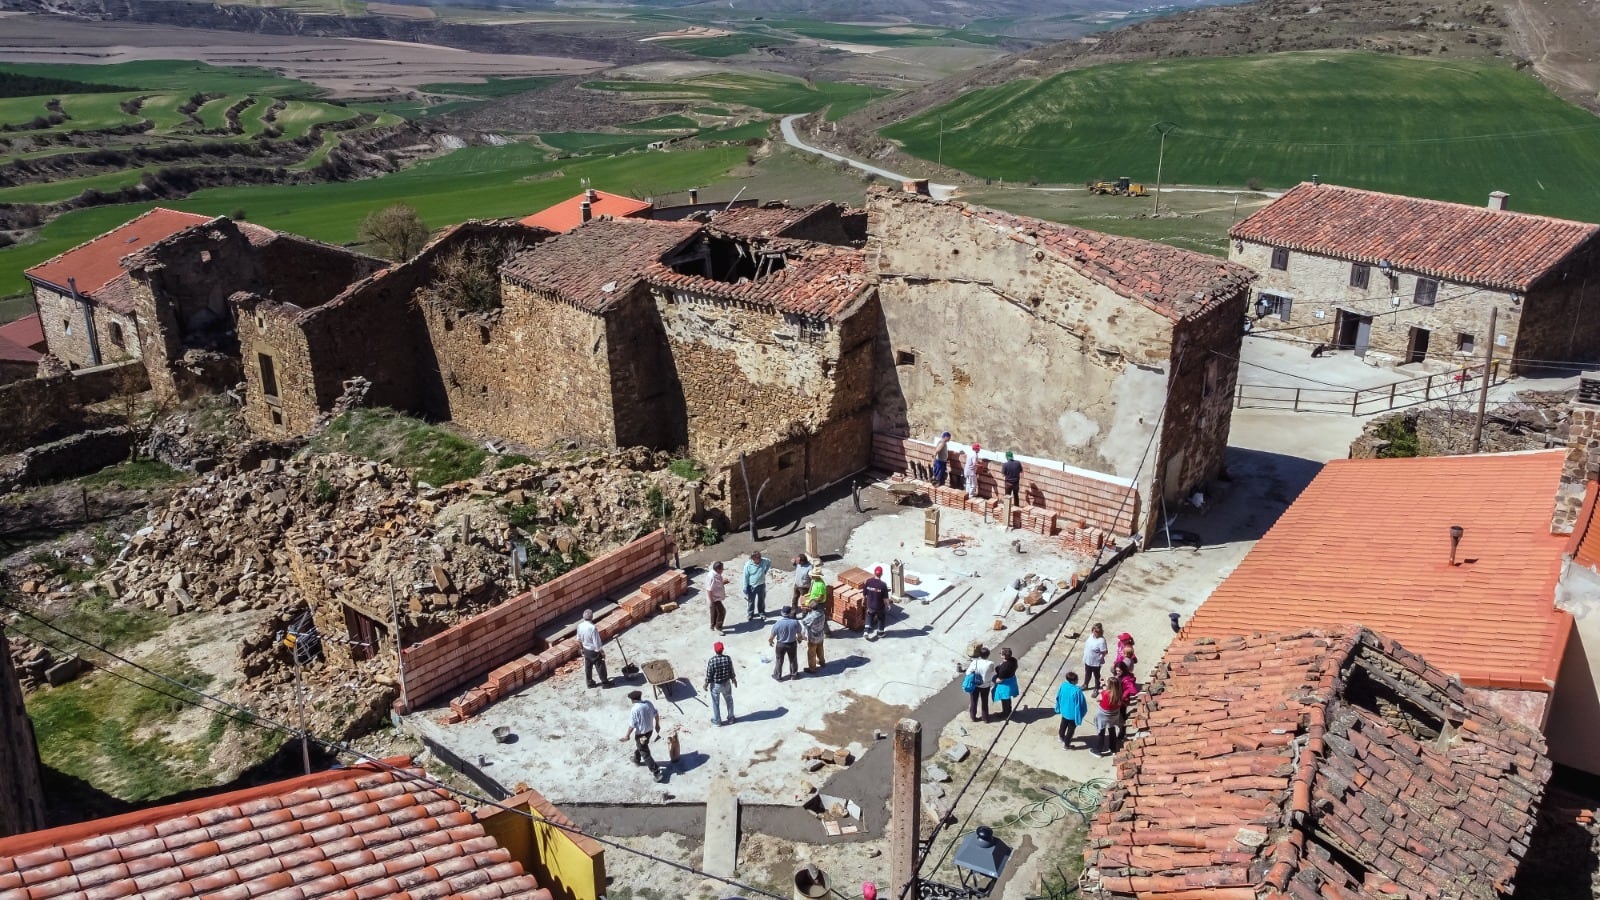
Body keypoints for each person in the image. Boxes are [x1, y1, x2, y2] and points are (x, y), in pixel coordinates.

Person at [620, 690, 667, 782]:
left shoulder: (635, 709)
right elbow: (656, 714)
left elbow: (632, 725)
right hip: (650, 731)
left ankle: (657, 772)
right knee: (641, 747)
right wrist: (657, 724)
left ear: (633, 700)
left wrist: (627, 736)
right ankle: (636, 759)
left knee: (645, 753)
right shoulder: (648, 703)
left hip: (641, 734)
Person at [704, 641, 737, 726]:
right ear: (723, 649)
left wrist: (706, 684)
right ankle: (731, 719)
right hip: (726, 684)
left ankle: (717, 721)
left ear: (715, 650)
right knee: (729, 701)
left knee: (716, 703)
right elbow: (731, 671)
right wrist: (734, 679)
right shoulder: (727, 658)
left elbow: (709, 674)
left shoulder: (712, 661)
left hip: (716, 685)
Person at [577, 609, 610, 688]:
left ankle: (590, 683)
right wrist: (602, 652)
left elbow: (578, 639)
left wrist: (581, 649)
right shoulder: (592, 628)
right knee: (600, 666)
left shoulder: (579, 626)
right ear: (592, 617)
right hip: (594, 651)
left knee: (588, 667)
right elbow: (597, 643)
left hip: (586, 650)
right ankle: (605, 683)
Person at [1055, 672, 1088, 749]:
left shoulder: (1063, 685)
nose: (1078, 681)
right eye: (1077, 679)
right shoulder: (1077, 691)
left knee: (1063, 724)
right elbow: (1081, 704)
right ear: (1073, 681)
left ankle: (1061, 737)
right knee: (1071, 730)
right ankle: (1066, 745)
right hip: (1072, 714)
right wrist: (1082, 713)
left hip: (1064, 711)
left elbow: (1058, 696)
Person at [768, 606, 801, 680]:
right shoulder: (795, 622)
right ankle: (794, 675)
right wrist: (799, 640)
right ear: (790, 613)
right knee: (793, 659)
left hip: (780, 645)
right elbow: (799, 634)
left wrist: (770, 642)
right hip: (792, 644)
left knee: (779, 660)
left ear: (782, 613)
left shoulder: (778, 623)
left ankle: (777, 676)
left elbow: (771, 636)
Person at [1095, 677, 1125, 756]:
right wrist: (1103, 685)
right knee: (1112, 730)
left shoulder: (1104, 693)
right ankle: (1113, 749)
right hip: (1113, 716)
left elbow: (1097, 699)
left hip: (1103, 716)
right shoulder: (1119, 693)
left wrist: (1101, 690)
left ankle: (1098, 750)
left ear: (1110, 685)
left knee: (1101, 732)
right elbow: (1111, 692)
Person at [965, 647, 995, 722]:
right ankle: (985, 718)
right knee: (984, 702)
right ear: (988, 655)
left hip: (975, 685)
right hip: (986, 685)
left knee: (973, 702)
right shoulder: (990, 663)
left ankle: (973, 717)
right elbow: (992, 671)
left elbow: (968, 673)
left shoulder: (975, 662)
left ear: (979, 655)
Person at [991, 647, 1021, 719]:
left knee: (1005, 699)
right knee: (1008, 698)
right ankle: (1009, 710)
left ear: (1004, 656)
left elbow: (999, 680)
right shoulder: (1013, 660)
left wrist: (994, 680)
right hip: (1011, 681)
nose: (1000, 654)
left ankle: (1005, 713)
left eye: (1001, 653)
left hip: (1005, 684)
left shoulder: (1004, 668)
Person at [743, 551, 772, 621]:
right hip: (751, 586)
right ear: (753, 559)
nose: (759, 559)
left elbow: (769, 562)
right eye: (757, 558)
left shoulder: (764, 561)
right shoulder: (748, 565)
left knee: (761, 600)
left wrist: (765, 570)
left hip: (761, 585)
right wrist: (745, 587)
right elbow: (745, 577)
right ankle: (750, 614)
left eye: (759, 558)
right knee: (751, 601)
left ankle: (761, 612)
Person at [862, 566, 889, 639]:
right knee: (881, 618)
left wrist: (863, 601)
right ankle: (880, 633)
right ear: (881, 574)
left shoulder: (868, 581)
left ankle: (866, 632)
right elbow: (885, 598)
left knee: (869, 616)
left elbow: (864, 594)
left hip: (870, 606)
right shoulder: (883, 585)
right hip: (879, 607)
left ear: (874, 573)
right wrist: (888, 605)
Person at [802, 602, 828, 673]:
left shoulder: (812, 616)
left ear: (811, 608)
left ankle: (812, 669)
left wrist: (807, 613)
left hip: (813, 637)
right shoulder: (822, 613)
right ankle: (822, 662)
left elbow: (803, 622)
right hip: (821, 635)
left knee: (811, 653)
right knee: (820, 649)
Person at [1082, 623, 1108, 692]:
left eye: (1098, 631)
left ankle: (1096, 687)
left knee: (1096, 675)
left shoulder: (1101, 641)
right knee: (1087, 673)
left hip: (1095, 662)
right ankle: (1085, 684)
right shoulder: (1091, 636)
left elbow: (1105, 651)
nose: (1096, 633)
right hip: (1088, 659)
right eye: (1095, 631)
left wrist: (1100, 658)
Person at [706, 561, 728, 634]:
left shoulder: (716, 574)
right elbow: (709, 590)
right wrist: (712, 601)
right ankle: (718, 627)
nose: (723, 570)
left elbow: (716, 584)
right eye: (722, 569)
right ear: (718, 569)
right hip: (715, 598)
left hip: (715, 598)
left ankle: (713, 626)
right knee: (722, 612)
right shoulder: (712, 577)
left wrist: (723, 582)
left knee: (714, 612)